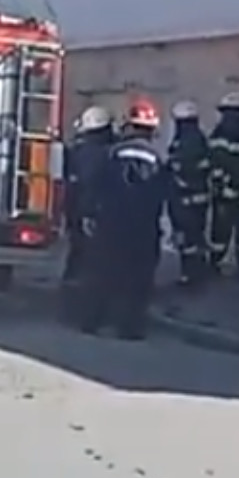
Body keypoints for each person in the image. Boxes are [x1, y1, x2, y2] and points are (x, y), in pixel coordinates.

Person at [80, 97, 167, 340]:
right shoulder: (157, 159)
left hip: (111, 223)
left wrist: (88, 214)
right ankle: (130, 328)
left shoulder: (111, 153)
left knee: (102, 273)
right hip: (144, 227)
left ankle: (92, 321)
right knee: (139, 279)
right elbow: (166, 192)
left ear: (128, 126)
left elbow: (94, 186)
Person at [60, 105, 115, 324]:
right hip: (101, 214)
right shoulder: (111, 152)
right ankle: (90, 310)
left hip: (80, 212)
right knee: (98, 262)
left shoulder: (79, 152)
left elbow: (73, 185)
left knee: (79, 260)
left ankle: (73, 309)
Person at [207, 92, 239, 275]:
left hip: (228, 193)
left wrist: (219, 188)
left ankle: (217, 263)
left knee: (224, 231)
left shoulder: (218, 134)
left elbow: (215, 165)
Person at [167, 100, 212, 288]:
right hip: (198, 197)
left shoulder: (184, 142)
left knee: (187, 239)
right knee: (196, 235)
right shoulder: (200, 139)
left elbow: (179, 168)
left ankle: (191, 275)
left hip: (184, 198)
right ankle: (198, 271)